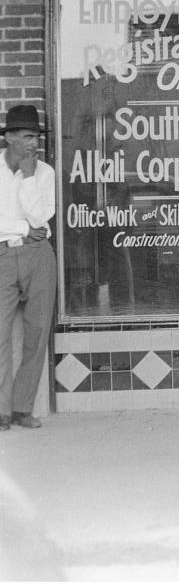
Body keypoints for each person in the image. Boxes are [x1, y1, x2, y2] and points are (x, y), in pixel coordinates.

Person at [0, 104, 56, 429]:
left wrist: (29, 177)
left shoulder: (44, 172)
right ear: (9, 138)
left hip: (39, 255)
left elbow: (40, 219)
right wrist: (20, 228)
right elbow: (22, 224)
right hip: (4, 255)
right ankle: (1, 411)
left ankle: (22, 408)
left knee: (37, 332)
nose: (32, 143)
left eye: (34, 136)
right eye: (25, 136)